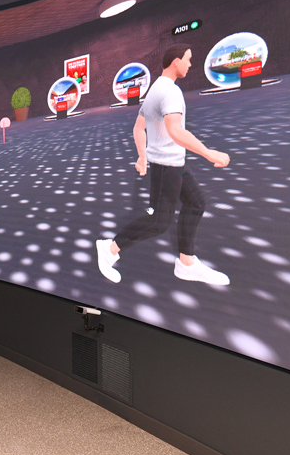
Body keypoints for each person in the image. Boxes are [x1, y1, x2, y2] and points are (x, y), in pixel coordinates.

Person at [97, 45, 231, 286]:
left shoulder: (155, 89)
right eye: (188, 60)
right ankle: (110, 248)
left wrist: (141, 157)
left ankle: (186, 263)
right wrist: (209, 153)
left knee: (196, 202)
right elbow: (175, 131)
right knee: (159, 221)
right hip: (166, 167)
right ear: (175, 61)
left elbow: (139, 127)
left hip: (173, 164)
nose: (190, 65)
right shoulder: (169, 92)